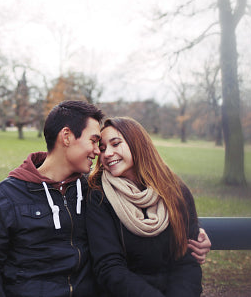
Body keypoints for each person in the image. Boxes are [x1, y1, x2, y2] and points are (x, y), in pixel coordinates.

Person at [0, 102, 210, 297]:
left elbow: (149, 208)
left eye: (104, 144)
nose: (99, 153)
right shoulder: (6, 196)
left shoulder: (92, 191)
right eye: (95, 142)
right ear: (66, 136)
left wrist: (195, 234)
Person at [86, 117, 203, 297]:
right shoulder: (99, 196)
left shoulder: (177, 192)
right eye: (102, 149)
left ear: (137, 144)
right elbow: (109, 268)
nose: (107, 153)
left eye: (116, 144)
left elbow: (186, 262)